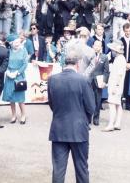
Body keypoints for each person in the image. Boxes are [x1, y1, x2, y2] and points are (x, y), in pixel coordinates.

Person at [48, 42, 95, 183]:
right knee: (81, 169)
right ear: (78, 63)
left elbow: (51, 103)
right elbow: (91, 107)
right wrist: (84, 120)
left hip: (59, 128)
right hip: (79, 129)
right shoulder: (83, 80)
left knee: (58, 170)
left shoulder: (52, 80)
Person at [2, 34, 28, 124]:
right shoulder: (8, 51)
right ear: (11, 43)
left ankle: (23, 115)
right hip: (9, 76)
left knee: (20, 98)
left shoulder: (23, 50)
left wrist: (17, 72)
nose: (17, 43)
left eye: (18, 41)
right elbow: (5, 62)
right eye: (15, 42)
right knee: (11, 97)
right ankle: (13, 115)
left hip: (19, 76)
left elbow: (25, 64)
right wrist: (8, 72)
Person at [103, 40, 126, 131]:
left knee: (112, 104)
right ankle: (117, 123)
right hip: (117, 85)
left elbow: (119, 75)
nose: (112, 51)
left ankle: (111, 124)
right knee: (118, 104)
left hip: (116, 86)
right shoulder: (119, 58)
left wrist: (115, 86)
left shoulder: (120, 59)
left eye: (113, 50)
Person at [90, 40, 109, 126]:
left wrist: (104, 81)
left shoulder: (104, 57)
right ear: (93, 46)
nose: (97, 47)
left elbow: (106, 71)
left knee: (98, 101)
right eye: (95, 45)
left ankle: (96, 118)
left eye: (99, 46)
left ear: (101, 47)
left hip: (99, 81)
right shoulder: (89, 56)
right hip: (89, 81)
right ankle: (87, 118)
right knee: (88, 100)